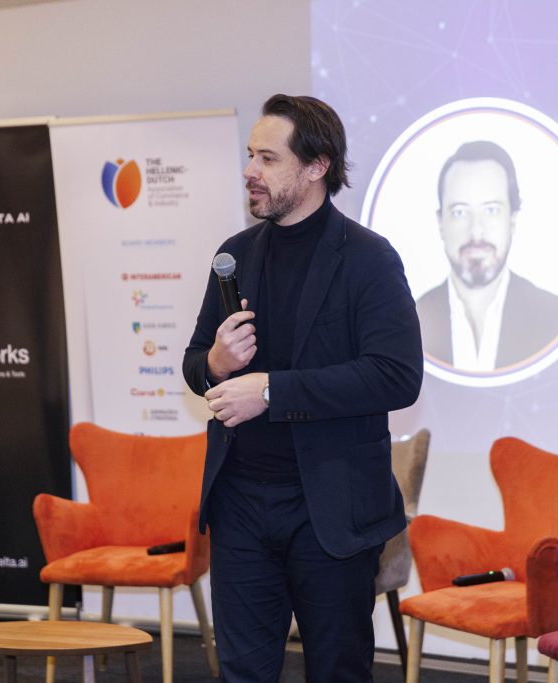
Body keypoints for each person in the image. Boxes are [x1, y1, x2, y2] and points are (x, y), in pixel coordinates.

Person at [183, 94, 422, 682]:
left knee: (337, 670)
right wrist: (215, 362)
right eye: (250, 155)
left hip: (330, 508)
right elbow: (195, 363)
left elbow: (396, 374)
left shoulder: (368, 259)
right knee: (241, 672)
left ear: (316, 166)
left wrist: (271, 391)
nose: (250, 171)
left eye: (268, 158)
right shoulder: (234, 255)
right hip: (240, 502)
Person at [417, 140, 558, 372]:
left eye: (491, 210)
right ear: (441, 223)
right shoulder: (405, 323)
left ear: (512, 220)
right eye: (460, 212)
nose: (476, 231)